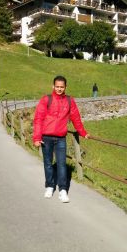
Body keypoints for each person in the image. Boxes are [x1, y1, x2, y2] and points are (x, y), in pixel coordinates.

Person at [33, 75, 89, 203]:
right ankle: (49, 186)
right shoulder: (46, 99)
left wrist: (83, 132)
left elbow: (76, 118)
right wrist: (36, 137)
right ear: (53, 86)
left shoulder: (69, 101)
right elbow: (38, 119)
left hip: (60, 139)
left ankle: (63, 190)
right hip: (46, 138)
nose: (59, 89)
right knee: (48, 164)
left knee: (62, 164)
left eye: (61, 87)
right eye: (57, 86)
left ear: (65, 87)